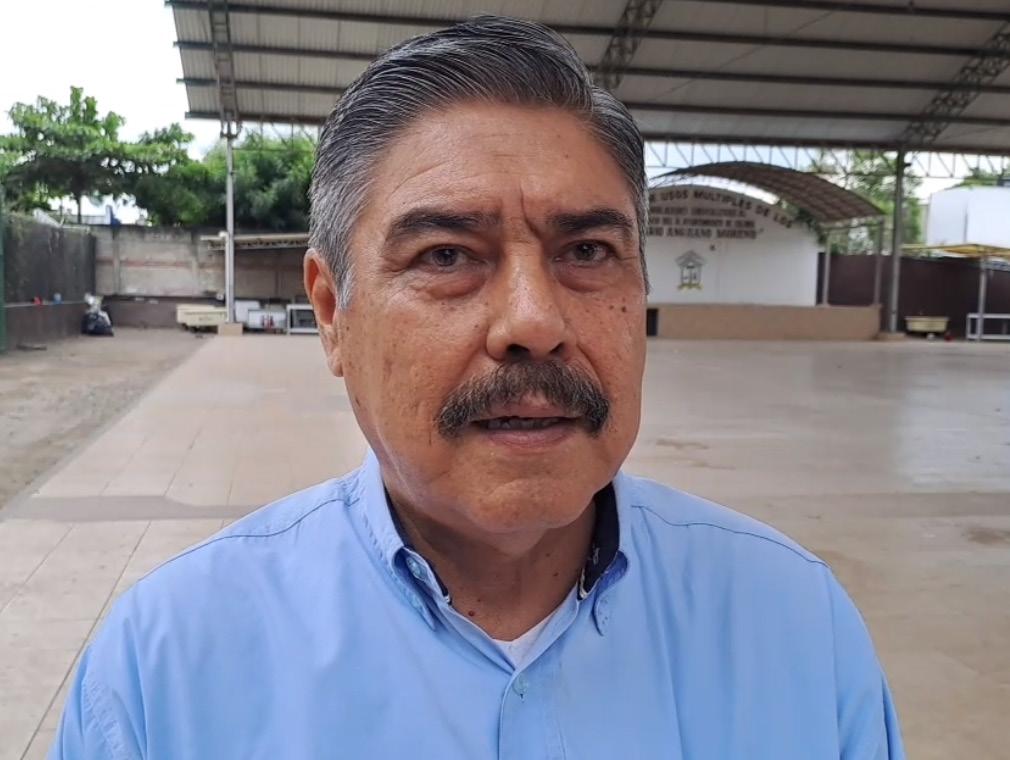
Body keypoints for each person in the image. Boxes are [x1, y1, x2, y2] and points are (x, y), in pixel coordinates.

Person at [50, 16, 904, 759]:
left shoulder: (798, 628)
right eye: (447, 255)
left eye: (587, 252)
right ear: (332, 313)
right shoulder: (165, 672)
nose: (534, 321)